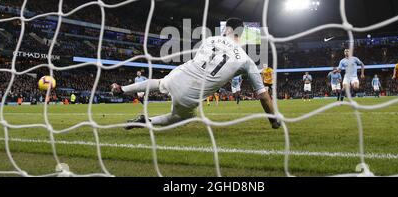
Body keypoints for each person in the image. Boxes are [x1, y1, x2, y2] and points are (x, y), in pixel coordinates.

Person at [111, 18, 281, 130]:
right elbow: (264, 97)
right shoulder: (246, 60)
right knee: (179, 118)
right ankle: (146, 121)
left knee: (159, 82)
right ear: (241, 34)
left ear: (226, 29)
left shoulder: (209, 39)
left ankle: (123, 89)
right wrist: (274, 121)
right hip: (190, 94)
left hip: (179, 74)